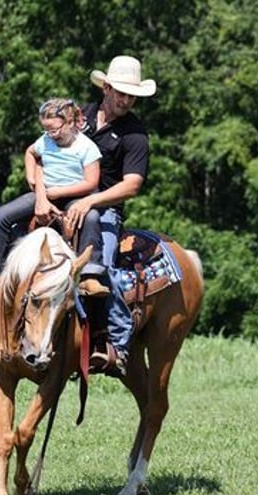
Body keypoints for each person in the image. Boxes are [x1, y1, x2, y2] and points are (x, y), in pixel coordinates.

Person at [58, 55, 157, 376]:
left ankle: (119, 343)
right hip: (64, 202)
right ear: (107, 88)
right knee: (22, 247)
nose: (127, 101)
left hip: (105, 212)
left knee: (101, 269)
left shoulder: (134, 134)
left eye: (132, 96)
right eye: (122, 93)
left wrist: (90, 201)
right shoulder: (80, 116)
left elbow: (132, 185)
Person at [0, 97, 109, 296]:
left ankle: (90, 275)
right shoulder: (46, 140)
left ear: (71, 123)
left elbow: (91, 182)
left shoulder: (86, 147)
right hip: (45, 193)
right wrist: (32, 177)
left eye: (55, 130)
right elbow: (31, 153)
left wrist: (59, 192)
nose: (51, 135)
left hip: (76, 195)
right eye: (46, 130)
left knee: (91, 218)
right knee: (4, 214)